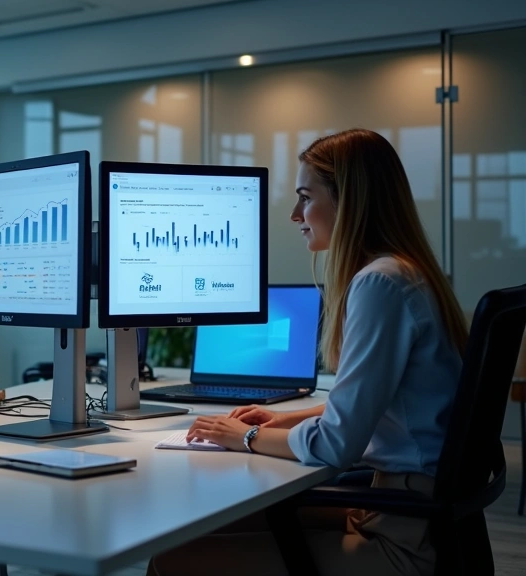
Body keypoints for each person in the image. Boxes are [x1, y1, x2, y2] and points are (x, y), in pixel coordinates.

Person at [149, 128, 468, 576]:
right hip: (413, 511)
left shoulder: (380, 283)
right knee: (201, 531)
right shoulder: (407, 273)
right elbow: (371, 407)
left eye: (305, 197)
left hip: (403, 535)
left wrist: (242, 437)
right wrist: (283, 419)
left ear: (349, 200)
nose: (296, 214)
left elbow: (335, 446)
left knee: (172, 561)